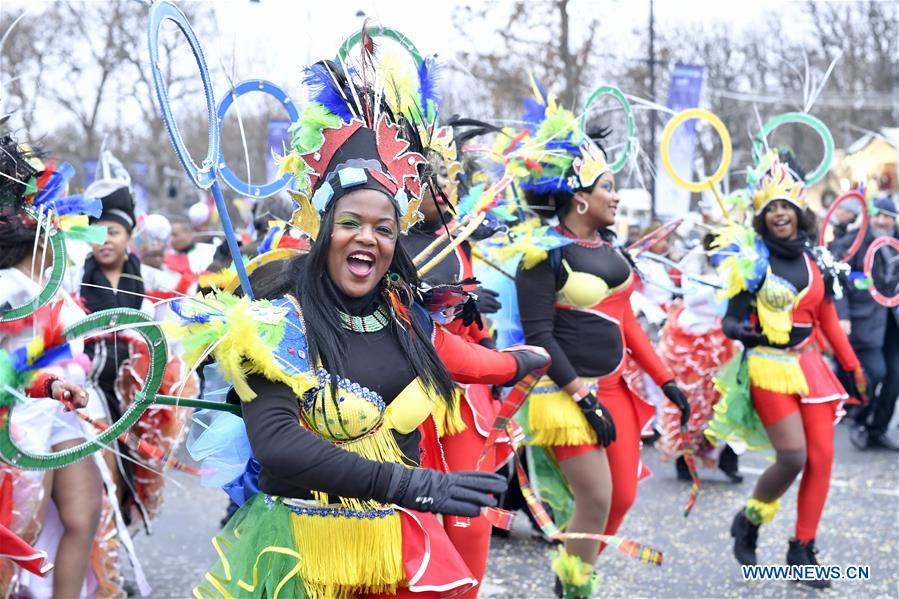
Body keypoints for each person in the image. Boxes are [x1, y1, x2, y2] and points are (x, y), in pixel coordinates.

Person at [180, 56, 548, 598]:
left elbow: (463, 359)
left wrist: (524, 360)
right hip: (303, 554)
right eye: (350, 222)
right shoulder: (276, 317)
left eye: (384, 228)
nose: (367, 238)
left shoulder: (401, 311)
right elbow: (278, 442)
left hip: (396, 547)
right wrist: (413, 484)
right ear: (323, 227)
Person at [510, 94, 689, 597]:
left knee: (623, 497)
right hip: (566, 394)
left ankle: (570, 572)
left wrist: (666, 380)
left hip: (616, 392)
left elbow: (627, 323)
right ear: (580, 197)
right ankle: (575, 589)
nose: (617, 196)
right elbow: (539, 336)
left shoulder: (612, 251)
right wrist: (582, 397)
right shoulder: (540, 254)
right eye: (608, 186)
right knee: (595, 497)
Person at [711, 153, 864, 589]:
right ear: (762, 216)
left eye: (786, 206)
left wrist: (853, 367)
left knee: (822, 459)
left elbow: (827, 319)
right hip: (768, 366)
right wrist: (740, 330)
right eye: (772, 207)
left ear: (799, 211)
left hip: (810, 365)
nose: (780, 213)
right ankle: (750, 520)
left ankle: (802, 549)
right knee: (793, 456)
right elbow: (729, 320)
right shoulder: (752, 260)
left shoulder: (817, 260)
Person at [0, 135, 102, 598]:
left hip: (63, 414)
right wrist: (47, 383)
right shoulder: (8, 286)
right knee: (21, 535)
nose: (62, 227)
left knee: (84, 513)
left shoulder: (52, 284)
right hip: (19, 424)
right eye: (53, 218)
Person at [833, 195, 899, 451]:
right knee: (876, 372)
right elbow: (838, 281)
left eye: (887, 217)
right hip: (866, 322)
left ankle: (877, 429)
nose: (882, 221)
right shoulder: (854, 243)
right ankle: (859, 418)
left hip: (893, 323)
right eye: (878, 215)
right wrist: (843, 315)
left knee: (895, 378)